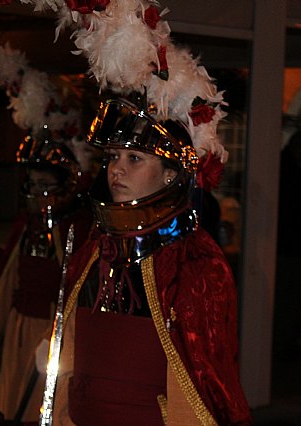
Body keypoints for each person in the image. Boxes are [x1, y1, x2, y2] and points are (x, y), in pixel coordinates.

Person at [48, 97, 251, 425]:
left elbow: (203, 379)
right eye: (113, 156)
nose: (117, 168)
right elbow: (68, 344)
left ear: (170, 175)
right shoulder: (95, 247)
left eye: (134, 158)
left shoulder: (194, 261)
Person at [0, 134, 92, 424]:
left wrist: (53, 339)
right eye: (33, 184)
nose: (37, 192)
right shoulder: (27, 228)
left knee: (46, 409)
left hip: (51, 331)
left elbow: (76, 291)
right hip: (19, 329)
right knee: (13, 405)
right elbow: (8, 283)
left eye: (45, 185)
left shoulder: (75, 231)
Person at [273, 130, 301, 361]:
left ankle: (287, 342)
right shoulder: (288, 174)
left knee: (295, 299)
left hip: (297, 245)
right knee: (285, 298)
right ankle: (279, 344)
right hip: (287, 246)